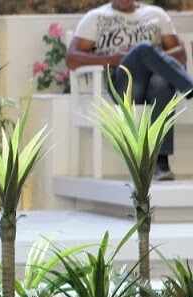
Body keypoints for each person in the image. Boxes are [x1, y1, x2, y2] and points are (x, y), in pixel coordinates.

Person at [68, 0, 193, 181]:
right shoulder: (96, 18)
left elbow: (180, 55)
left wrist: (154, 57)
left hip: (153, 84)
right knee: (143, 49)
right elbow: (72, 58)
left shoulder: (156, 15)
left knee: (162, 83)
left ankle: (160, 163)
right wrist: (116, 58)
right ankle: (188, 87)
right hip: (123, 84)